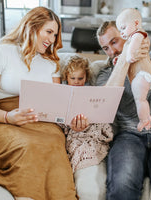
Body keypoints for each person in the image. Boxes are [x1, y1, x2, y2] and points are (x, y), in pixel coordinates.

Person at [0, 7, 79, 200]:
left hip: (42, 121)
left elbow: (59, 104)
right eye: (49, 32)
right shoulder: (1, 52)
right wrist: (8, 117)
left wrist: (75, 120)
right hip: (1, 119)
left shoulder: (51, 63)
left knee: (54, 141)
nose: (52, 40)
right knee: (29, 144)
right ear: (32, 27)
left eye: (55, 34)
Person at [96, 20, 151, 200]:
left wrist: (145, 62)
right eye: (105, 48)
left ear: (127, 36)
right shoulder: (106, 73)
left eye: (114, 42)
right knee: (121, 188)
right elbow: (104, 105)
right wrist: (124, 61)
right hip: (128, 135)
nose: (111, 51)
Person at [56, 55, 113, 200]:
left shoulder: (91, 91)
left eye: (80, 79)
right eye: (72, 78)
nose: (76, 82)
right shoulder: (62, 92)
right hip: (70, 130)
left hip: (89, 129)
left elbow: (100, 114)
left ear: (86, 77)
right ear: (66, 77)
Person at [116, 8, 151, 131]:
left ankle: (144, 119)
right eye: (120, 30)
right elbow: (127, 49)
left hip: (144, 74)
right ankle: (146, 120)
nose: (121, 33)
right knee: (139, 99)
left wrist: (130, 55)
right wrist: (119, 59)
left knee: (140, 98)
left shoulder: (138, 34)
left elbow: (133, 46)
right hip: (140, 76)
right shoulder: (130, 39)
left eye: (123, 28)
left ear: (136, 24)